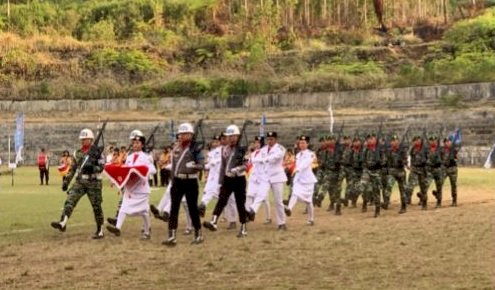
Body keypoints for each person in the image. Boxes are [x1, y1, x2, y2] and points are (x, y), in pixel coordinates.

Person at [50, 128, 105, 239]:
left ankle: (100, 230)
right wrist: (66, 181)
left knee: (96, 206)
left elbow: (102, 167)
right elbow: (73, 169)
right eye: (82, 139)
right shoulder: (77, 153)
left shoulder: (98, 152)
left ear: (91, 139)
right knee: (70, 200)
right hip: (80, 181)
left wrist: (93, 167)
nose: (83, 141)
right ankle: (63, 222)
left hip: (93, 182)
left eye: (85, 139)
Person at [106, 130, 157, 240]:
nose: (135, 145)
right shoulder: (129, 157)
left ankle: (147, 231)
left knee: (144, 211)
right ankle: (118, 228)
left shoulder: (146, 157)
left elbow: (153, 170)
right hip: (130, 188)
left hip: (141, 188)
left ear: (142, 144)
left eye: (137, 143)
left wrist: (141, 171)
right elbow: (125, 170)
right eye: (133, 143)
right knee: (123, 208)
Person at [203, 124, 249, 237]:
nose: (230, 138)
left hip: (239, 179)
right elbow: (223, 166)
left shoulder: (242, 149)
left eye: (233, 136)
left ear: (238, 136)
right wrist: (221, 181)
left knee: (240, 204)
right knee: (221, 200)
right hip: (227, 179)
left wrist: (237, 169)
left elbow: (246, 165)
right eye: (229, 136)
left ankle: (243, 227)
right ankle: (213, 221)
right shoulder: (225, 149)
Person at [163, 122, 205, 246]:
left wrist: (194, 166)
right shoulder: (176, 148)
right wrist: (172, 181)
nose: (182, 136)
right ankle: (171, 236)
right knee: (174, 208)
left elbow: (202, 165)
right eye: (180, 134)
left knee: (192, 208)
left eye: (185, 134)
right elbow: (174, 166)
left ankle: (198, 234)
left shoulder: (195, 148)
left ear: (191, 135)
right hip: (178, 181)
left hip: (191, 180)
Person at [284, 135, 317, 225]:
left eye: (303, 143)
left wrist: (298, 169)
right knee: (294, 193)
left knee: (308, 201)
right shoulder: (298, 155)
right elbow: (294, 165)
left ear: (307, 144)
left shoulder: (311, 154)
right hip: (299, 179)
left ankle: (311, 219)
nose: (301, 144)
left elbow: (305, 164)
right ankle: (289, 209)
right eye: (300, 143)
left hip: (308, 180)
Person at [245, 136, 272, 225]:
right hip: (253, 178)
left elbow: (265, 160)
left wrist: (254, 159)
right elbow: (249, 163)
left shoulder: (265, 151)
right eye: (255, 142)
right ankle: (248, 214)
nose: (256, 144)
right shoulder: (253, 153)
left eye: (258, 142)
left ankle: (268, 218)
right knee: (249, 196)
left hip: (263, 179)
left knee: (264, 199)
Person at [442, 136, 460, 207]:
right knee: (440, 183)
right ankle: (438, 199)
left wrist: (454, 158)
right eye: (446, 142)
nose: (448, 143)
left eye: (449, 141)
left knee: (453, 185)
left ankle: (454, 201)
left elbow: (456, 158)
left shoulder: (454, 150)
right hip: (445, 169)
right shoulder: (442, 150)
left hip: (453, 169)